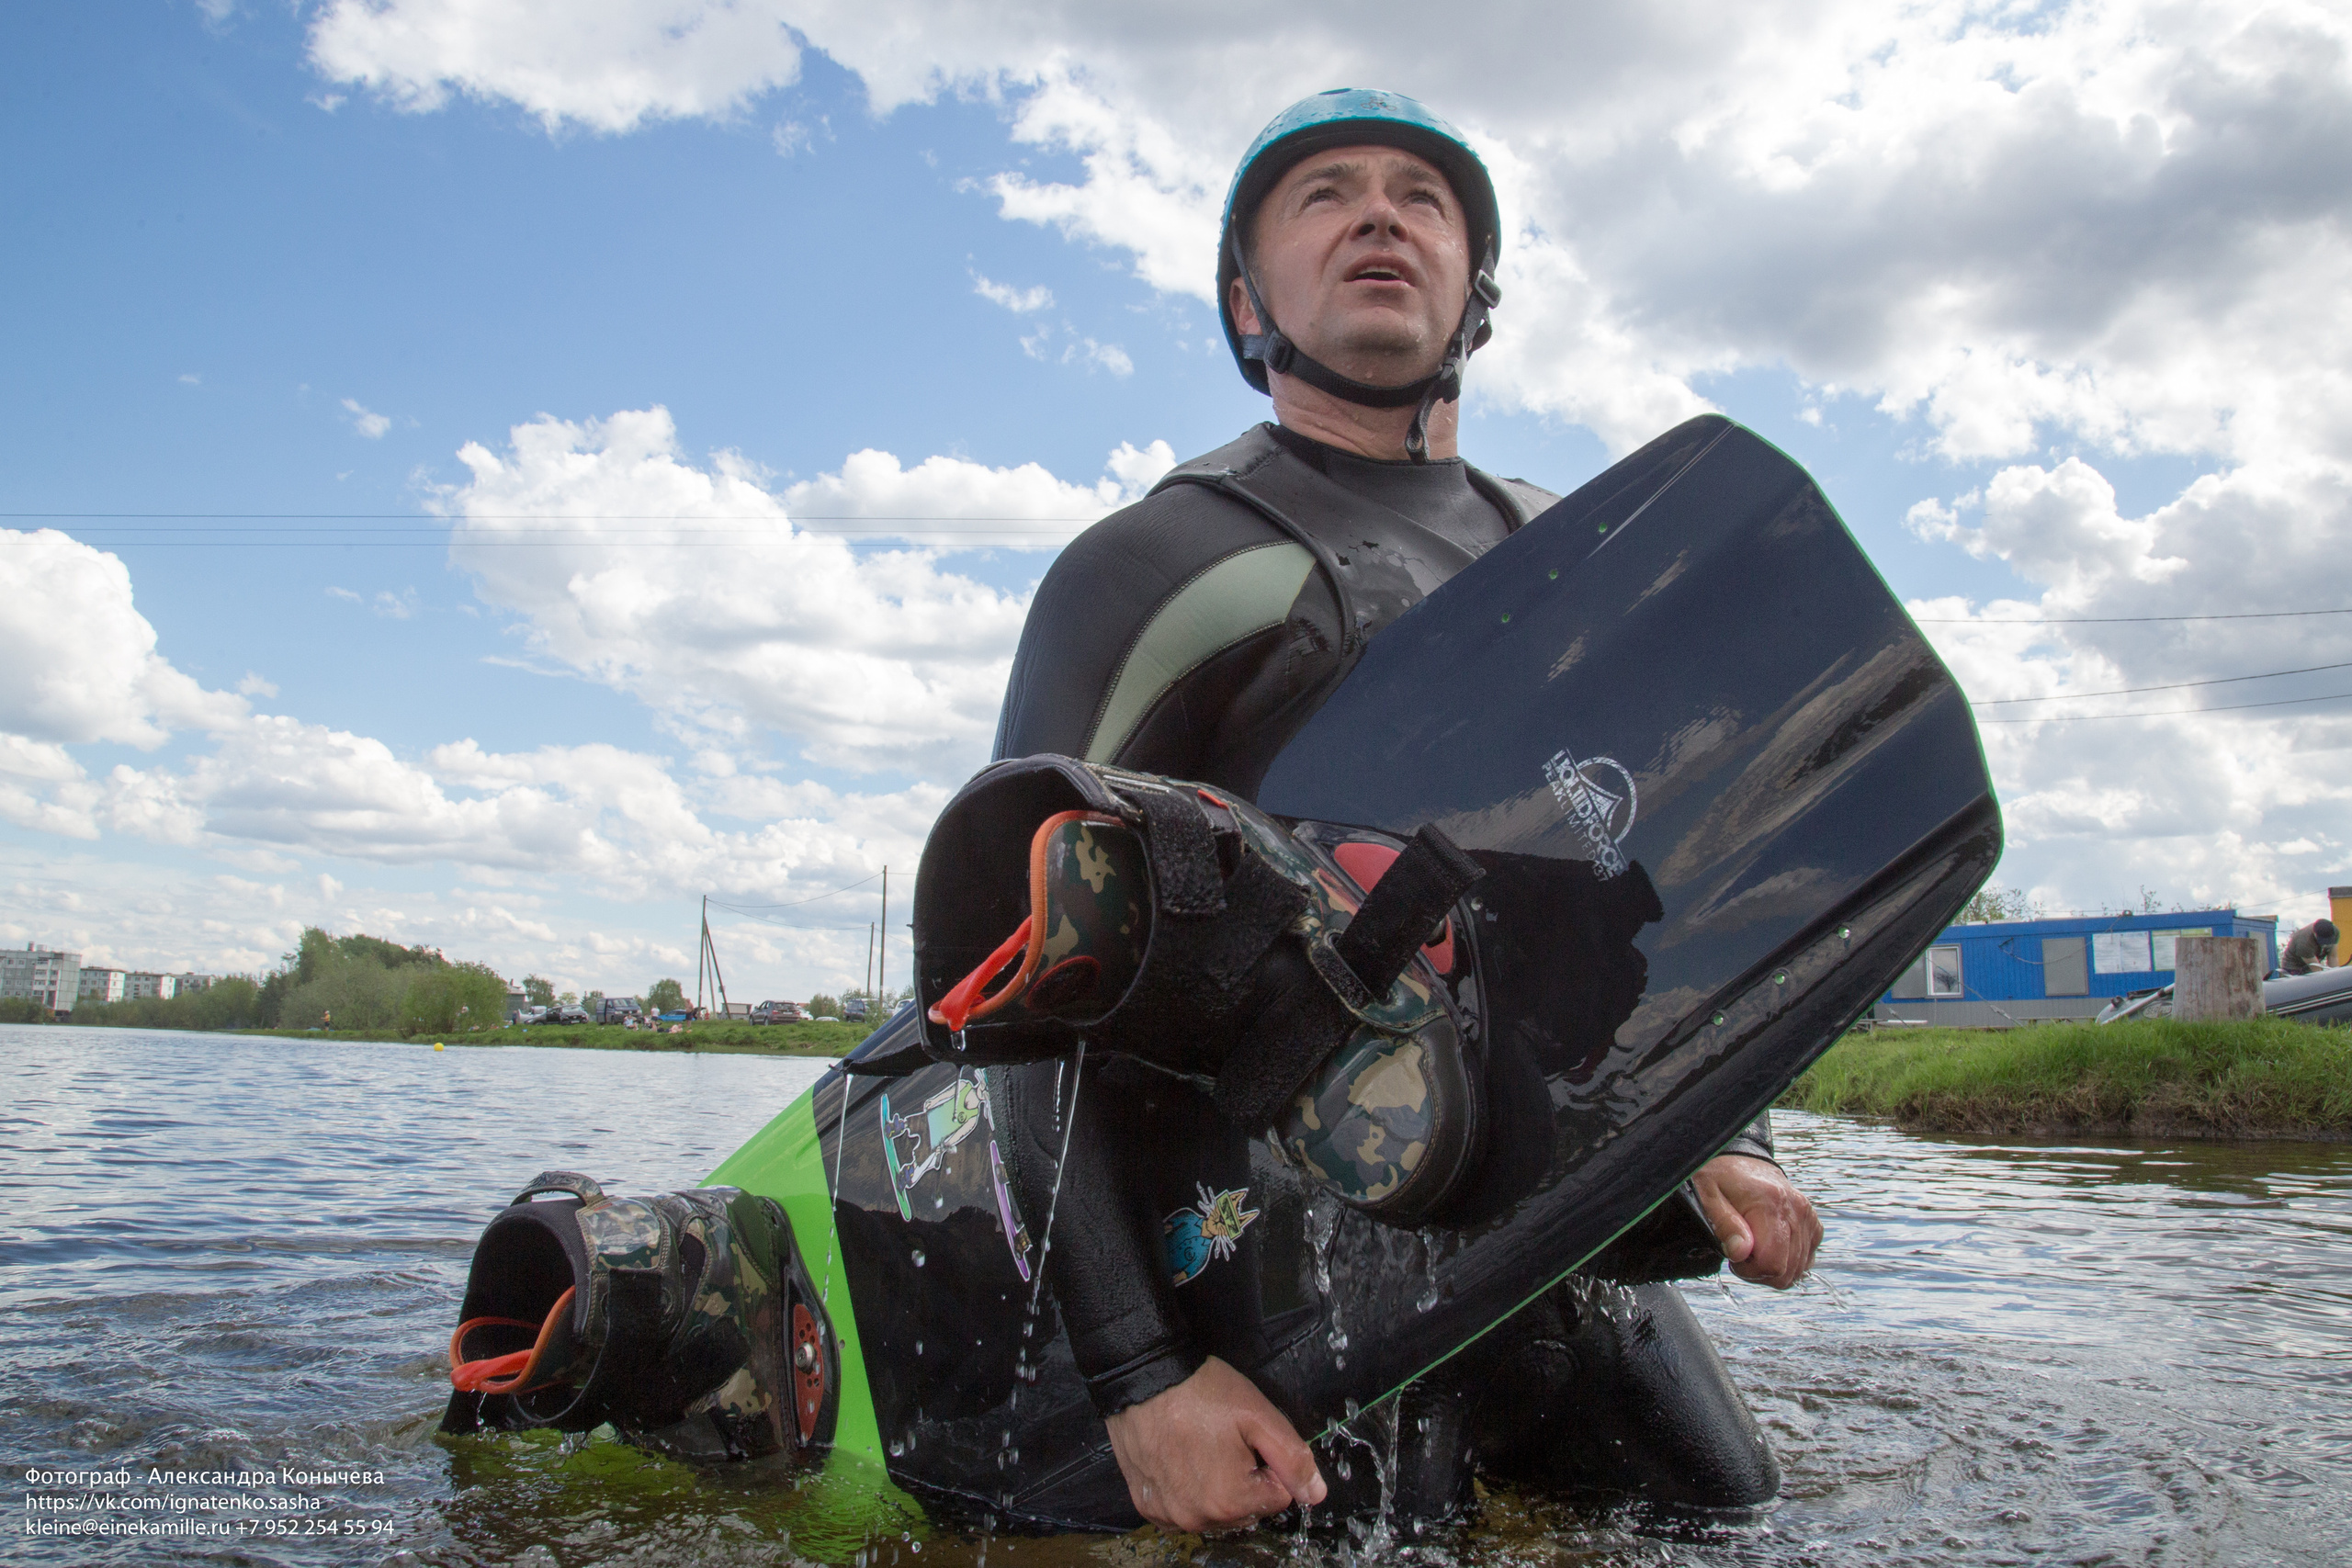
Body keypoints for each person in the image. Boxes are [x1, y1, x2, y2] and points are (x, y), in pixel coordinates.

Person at [990, 89, 1823, 1535]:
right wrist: (1139, 1377)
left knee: (1738, 1520)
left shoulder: (1581, 564)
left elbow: (1619, 940)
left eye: (1420, 198)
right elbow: (1008, 990)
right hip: (1248, 1248)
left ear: (1473, 291)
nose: (1379, 212)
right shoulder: (1155, 568)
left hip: (1528, 1231)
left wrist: (1716, 1140)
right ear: (1250, 301)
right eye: (1324, 193)